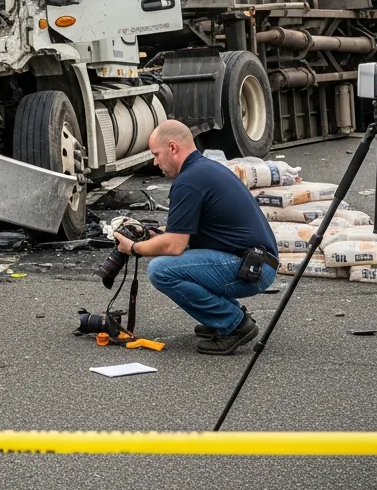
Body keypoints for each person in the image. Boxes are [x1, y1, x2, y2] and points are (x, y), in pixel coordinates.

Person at [113, 120, 279, 355]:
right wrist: (148, 233)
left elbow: (174, 245)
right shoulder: (204, 169)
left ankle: (234, 324)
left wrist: (134, 248)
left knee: (161, 270)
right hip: (255, 262)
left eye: (156, 154)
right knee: (176, 262)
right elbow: (182, 232)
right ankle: (223, 316)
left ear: (173, 148)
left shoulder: (188, 182)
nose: (155, 162)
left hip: (251, 269)